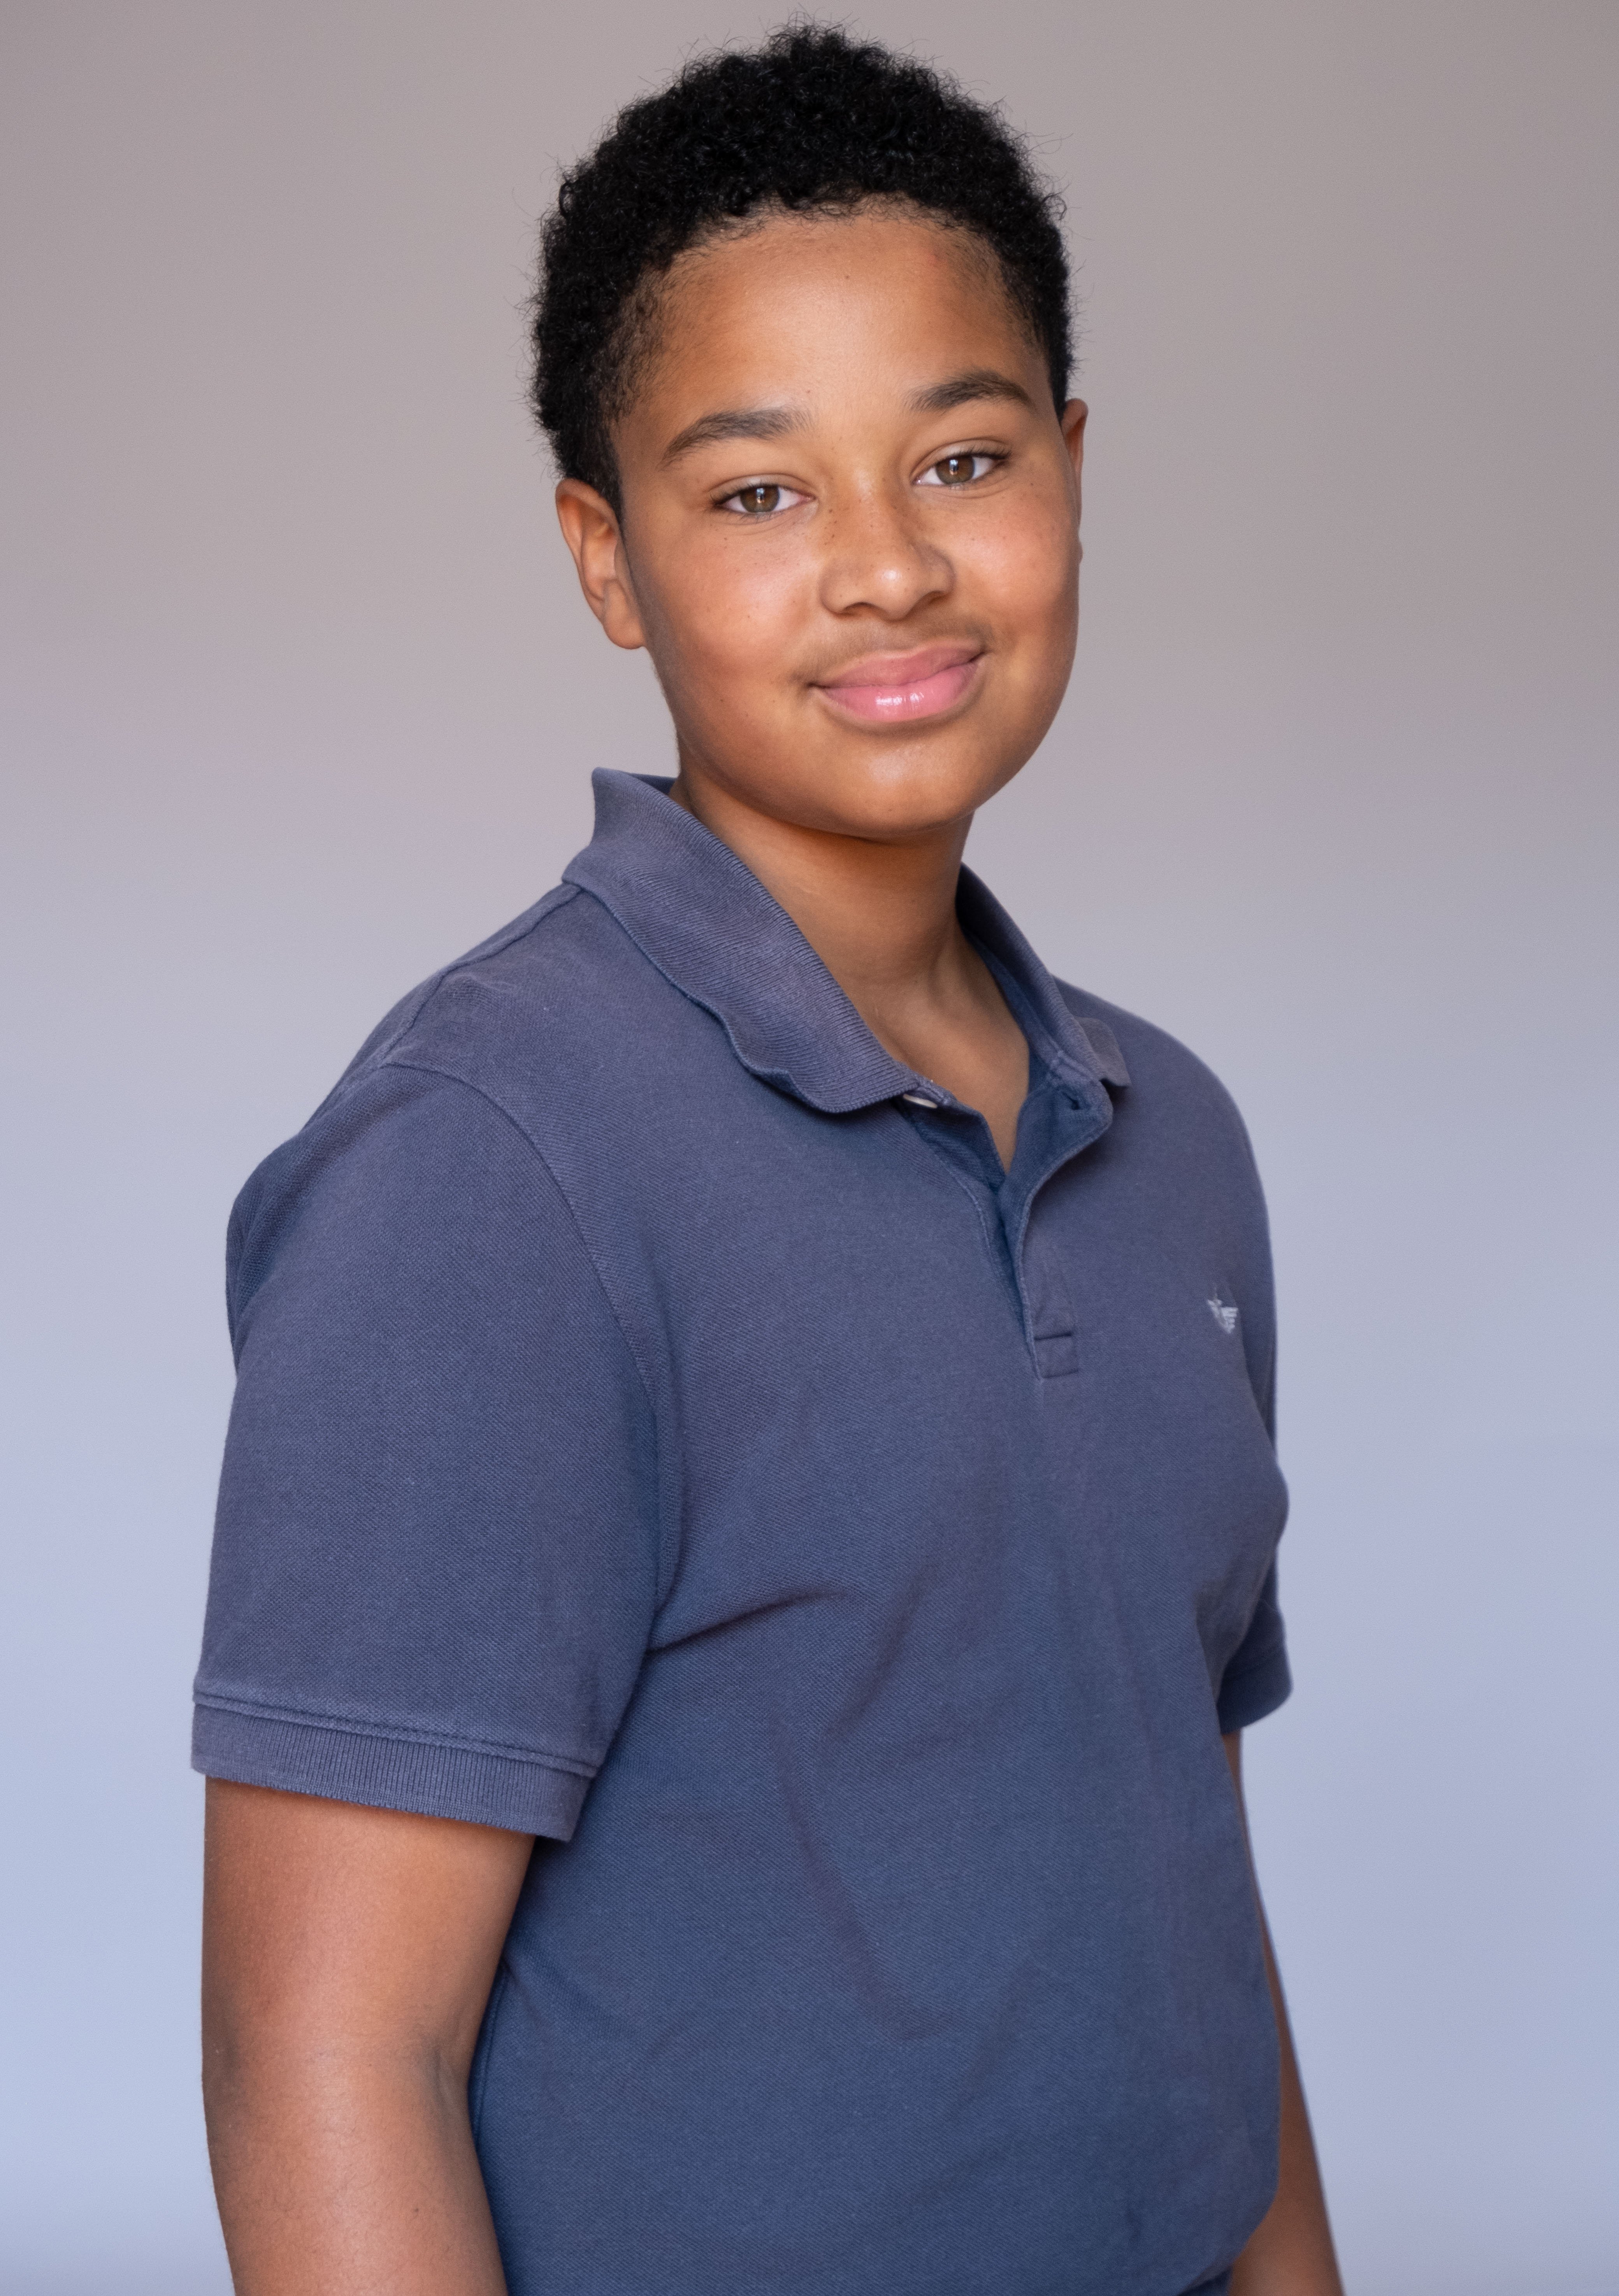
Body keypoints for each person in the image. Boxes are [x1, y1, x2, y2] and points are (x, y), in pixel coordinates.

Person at [194, 26, 1343, 2296]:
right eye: (756, 494)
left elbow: (1188, 1869)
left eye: (965, 458)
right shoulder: (489, 1163)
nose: (888, 569)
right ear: (606, 558)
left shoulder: (1171, 1138)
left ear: (1076, 468)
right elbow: (322, 2055)